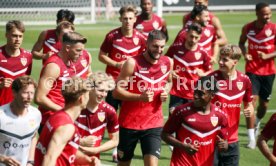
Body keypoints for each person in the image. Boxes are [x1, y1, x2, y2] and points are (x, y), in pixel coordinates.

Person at [113, 30, 173, 166]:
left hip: (154, 124)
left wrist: (165, 90)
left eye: (162, 47)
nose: (159, 50)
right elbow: (116, 92)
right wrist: (140, 97)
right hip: (129, 123)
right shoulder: (132, 63)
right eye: (155, 46)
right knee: (123, 163)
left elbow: (169, 81)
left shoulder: (168, 62)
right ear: (147, 44)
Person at [98, 5, 146, 161]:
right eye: (125, 18)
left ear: (135, 19)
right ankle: (112, 146)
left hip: (131, 84)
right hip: (112, 82)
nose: (128, 21)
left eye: (131, 18)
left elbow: (146, 59)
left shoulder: (141, 38)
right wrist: (116, 64)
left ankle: (121, 148)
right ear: (120, 19)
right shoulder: (112, 36)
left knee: (127, 116)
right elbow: (101, 56)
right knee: (111, 115)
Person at [161, 75, 228, 166]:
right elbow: (164, 135)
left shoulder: (220, 116)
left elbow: (224, 142)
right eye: (195, 91)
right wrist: (183, 146)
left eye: (201, 93)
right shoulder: (181, 111)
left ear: (212, 95)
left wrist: (224, 145)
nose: (195, 96)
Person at [35, 77, 100, 166]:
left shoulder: (57, 116)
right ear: (81, 99)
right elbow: (49, 158)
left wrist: (87, 160)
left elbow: (66, 150)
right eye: (87, 95)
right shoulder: (66, 127)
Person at [35, 32, 91, 132]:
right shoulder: (54, 66)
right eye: (78, 50)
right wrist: (64, 112)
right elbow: (39, 98)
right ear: (67, 48)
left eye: (82, 50)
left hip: (69, 118)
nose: (81, 54)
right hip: (52, 120)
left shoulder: (76, 60)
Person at [209, 45, 255, 166]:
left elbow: (249, 104)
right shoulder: (209, 79)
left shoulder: (245, 80)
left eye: (225, 59)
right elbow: (197, 106)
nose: (220, 62)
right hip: (211, 140)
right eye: (220, 58)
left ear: (235, 62)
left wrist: (250, 110)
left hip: (232, 141)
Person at [239, 2, 276, 138]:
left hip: (268, 72)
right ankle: (251, 136)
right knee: (251, 99)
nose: (268, 16)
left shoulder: (274, 28)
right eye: (265, 14)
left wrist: (268, 55)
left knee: (264, 105)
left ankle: (258, 122)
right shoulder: (248, 28)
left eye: (269, 13)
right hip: (252, 70)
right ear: (257, 14)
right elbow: (241, 42)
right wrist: (245, 54)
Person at [166, 23, 212, 113]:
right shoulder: (175, 48)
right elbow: (164, 62)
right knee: (174, 122)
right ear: (186, 34)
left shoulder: (203, 53)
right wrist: (170, 71)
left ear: (200, 37)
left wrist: (203, 74)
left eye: (196, 37)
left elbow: (210, 72)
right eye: (191, 36)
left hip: (194, 95)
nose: (193, 40)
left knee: (191, 123)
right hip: (177, 93)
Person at [75, 71, 119, 159]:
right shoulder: (76, 107)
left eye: (106, 91)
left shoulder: (109, 111)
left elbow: (115, 140)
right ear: (90, 88)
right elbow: (58, 137)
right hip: (71, 158)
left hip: (93, 160)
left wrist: (97, 150)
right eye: (100, 90)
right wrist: (80, 142)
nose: (104, 95)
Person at [0, 76, 41, 166]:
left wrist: (30, 161)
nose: (30, 97)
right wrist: (2, 158)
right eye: (26, 93)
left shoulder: (36, 114)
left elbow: (33, 136)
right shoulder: (1, 115)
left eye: (32, 93)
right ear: (14, 93)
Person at [0, 20, 32, 106]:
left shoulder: (28, 56)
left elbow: (26, 82)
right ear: (6, 35)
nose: (18, 39)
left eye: (20, 36)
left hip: (19, 107)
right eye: (14, 36)